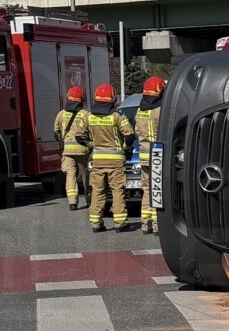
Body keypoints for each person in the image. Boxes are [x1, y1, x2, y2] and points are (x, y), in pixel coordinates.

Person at [78, 83, 134, 233]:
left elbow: (79, 135)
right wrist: (126, 148)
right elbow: (129, 134)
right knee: (117, 190)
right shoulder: (117, 116)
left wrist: (91, 145)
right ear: (112, 99)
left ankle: (96, 223)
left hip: (98, 160)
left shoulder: (88, 117)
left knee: (98, 191)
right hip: (115, 161)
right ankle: (120, 223)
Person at [136, 76, 165, 235]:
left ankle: (144, 224)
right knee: (157, 191)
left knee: (146, 190)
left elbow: (135, 132)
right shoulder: (159, 111)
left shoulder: (140, 110)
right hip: (157, 156)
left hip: (143, 155)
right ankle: (156, 226)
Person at [53, 86, 90, 210]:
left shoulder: (61, 114)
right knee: (86, 175)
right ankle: (88, 198)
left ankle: (72, 202)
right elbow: (91, 130)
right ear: (81, 99)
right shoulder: (85, 114)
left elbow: (56, 131)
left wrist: (61, 142)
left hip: (67, 151)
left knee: (70, 175)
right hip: (82, 150)